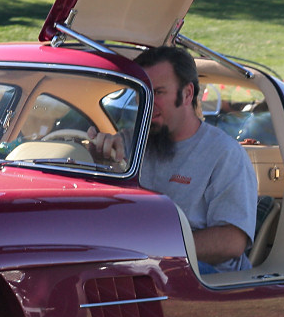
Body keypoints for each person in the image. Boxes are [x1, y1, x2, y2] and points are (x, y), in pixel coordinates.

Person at [87, 46, 257, 273]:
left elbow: (231, 242)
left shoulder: (224, 153)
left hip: (205, 276)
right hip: (141, 266)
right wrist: (100, 161)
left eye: (157, 92)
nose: (147, 102)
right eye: (142, 93)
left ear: (187, 94)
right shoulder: (129, 142)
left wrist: (156, 250)